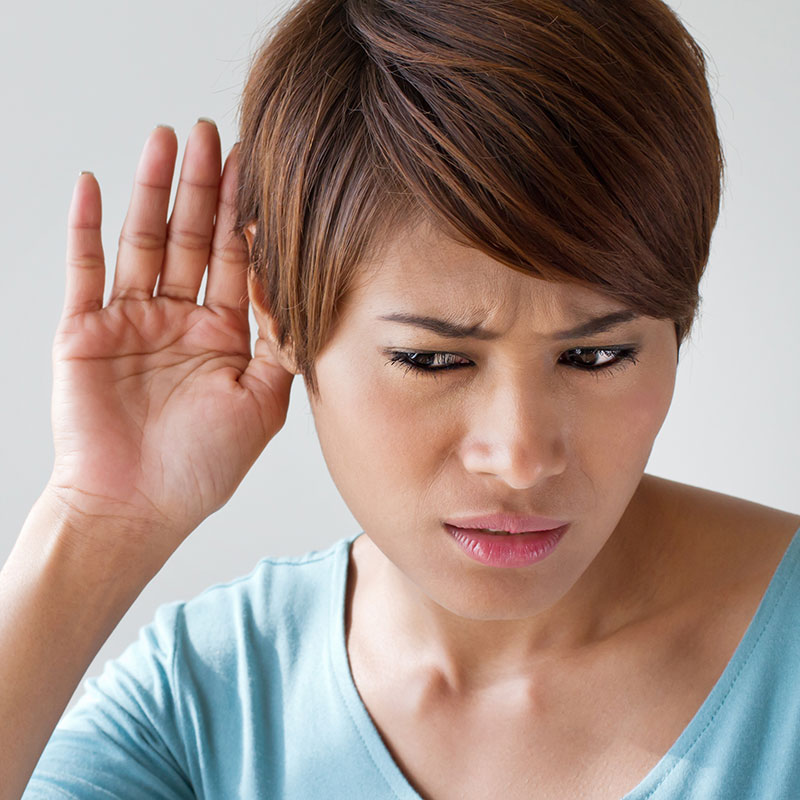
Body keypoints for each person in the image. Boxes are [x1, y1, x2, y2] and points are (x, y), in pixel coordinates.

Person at [3, 0, 799, 797]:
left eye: (596, 355)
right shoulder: (205, 709)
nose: (520, 456)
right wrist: (94, 528)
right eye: (433, 359)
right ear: (277, 314)